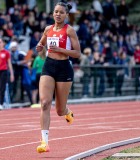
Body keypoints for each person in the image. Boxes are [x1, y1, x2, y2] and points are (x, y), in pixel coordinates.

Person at [35, 2, 81, 153]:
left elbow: (77, 53)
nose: (58, 14)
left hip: (64, 69)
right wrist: (40, 47)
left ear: (66, 15)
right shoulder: (48, 29)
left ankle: (67, 112)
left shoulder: (70, 31)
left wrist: (61, 49)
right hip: (49, 66)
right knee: (45, 102)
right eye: (56, 11)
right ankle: (44, 143)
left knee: (59, 110)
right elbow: (41, 43)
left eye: (61, 12)